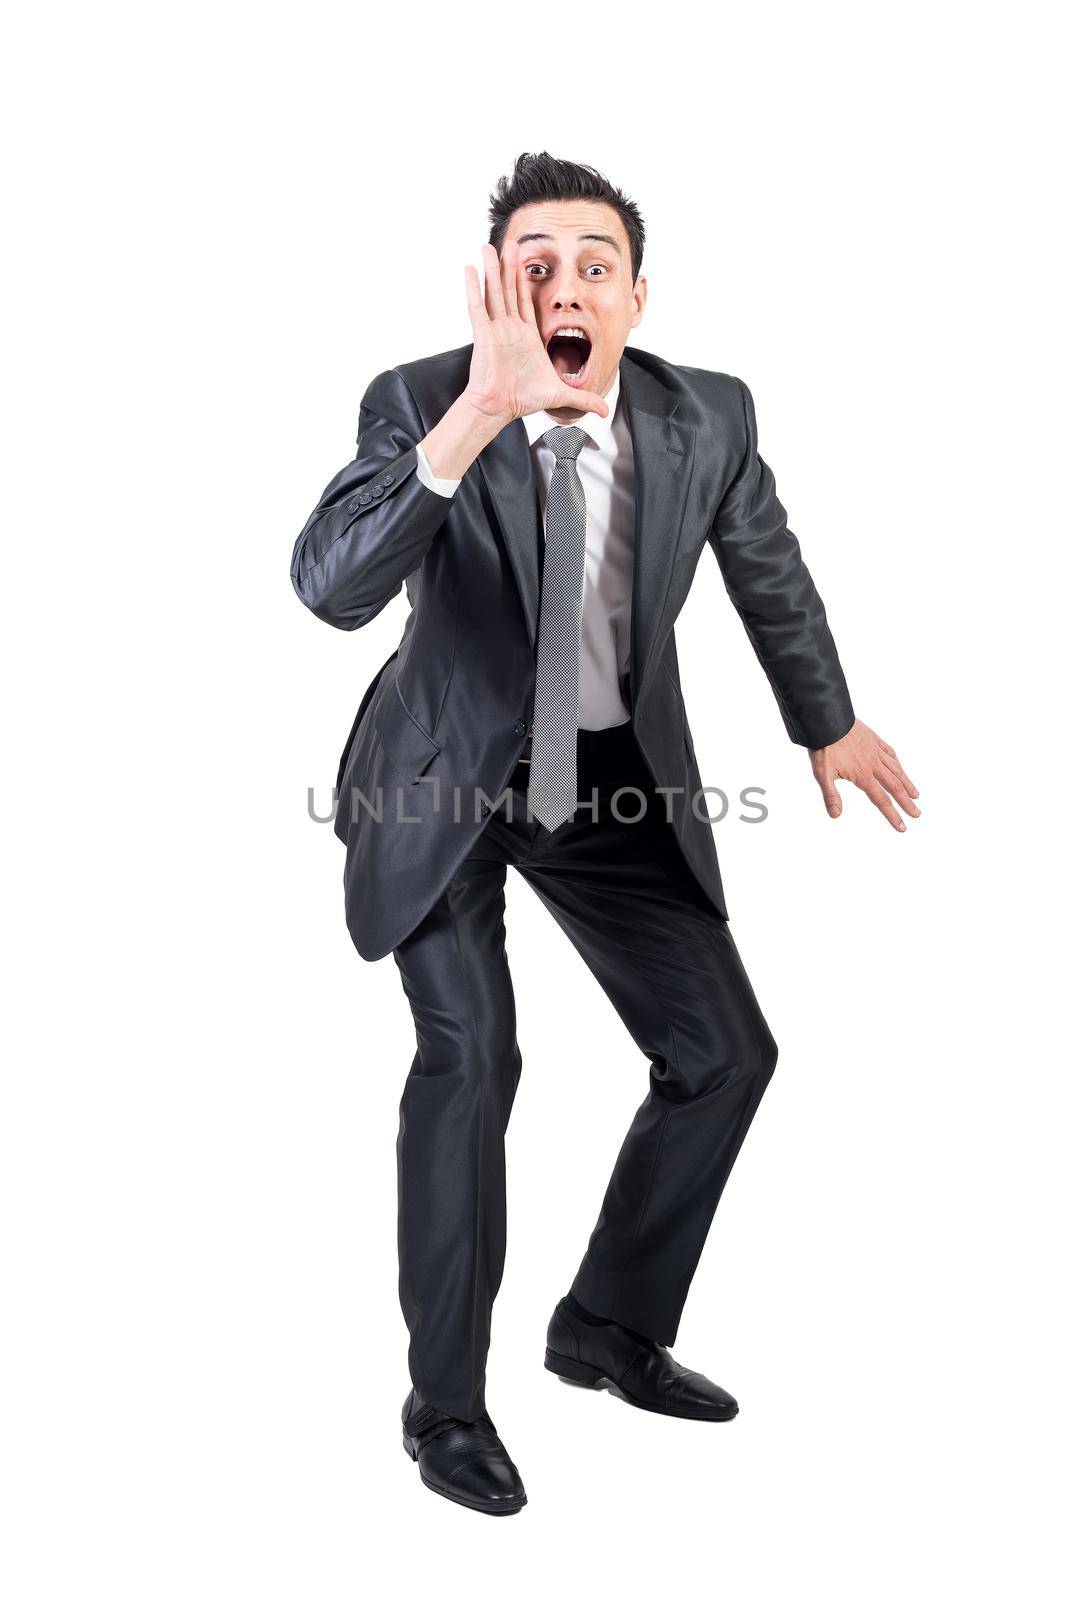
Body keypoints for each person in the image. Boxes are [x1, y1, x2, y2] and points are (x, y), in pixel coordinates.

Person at [290, 152, 919, 1517]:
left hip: (610, 784)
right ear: (496, 290)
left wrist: (828, 723)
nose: (564, 282)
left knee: (725, 1054)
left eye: (593, 262)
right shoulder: (418, 399)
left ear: (637, 295)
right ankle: (446, 1410)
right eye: (535, 262)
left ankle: (608, 1327)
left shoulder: (709, 416)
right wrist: (473, 419)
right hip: (440, 778)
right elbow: (332, 588)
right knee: (473, 1060)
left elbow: (770, 571)